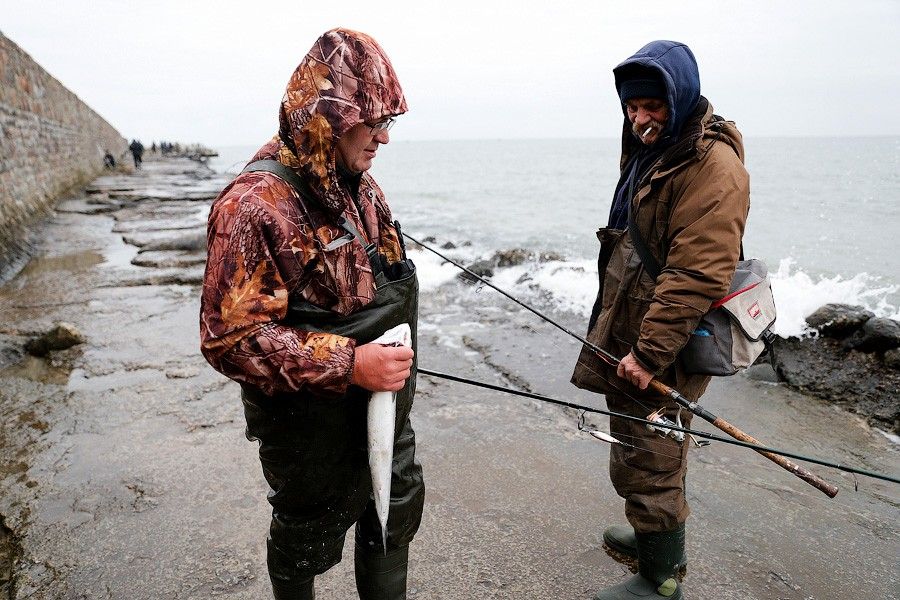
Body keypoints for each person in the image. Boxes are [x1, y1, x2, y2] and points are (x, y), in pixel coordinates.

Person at [200, 29, 423, 600]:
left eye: (389, 122)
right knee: (304, 541)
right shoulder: (252, 207)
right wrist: (350, 364)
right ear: (330, 115)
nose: (384, 138)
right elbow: (230, 339)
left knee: (392, 514)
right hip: (307, 433)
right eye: (373, 123)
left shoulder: (361, 184)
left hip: (383, 413)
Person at [571, 40, 749, 600]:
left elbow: (695, 274)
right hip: (637, 317)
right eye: (631, 107)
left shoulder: (712, 166)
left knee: (652, 446)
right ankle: (653, 535)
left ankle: (661, 577)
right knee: (639, 439)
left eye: (652, 106)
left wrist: (648, 355)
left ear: (681, 95)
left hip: (666, 334)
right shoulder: (661, 147)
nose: (640, 118)